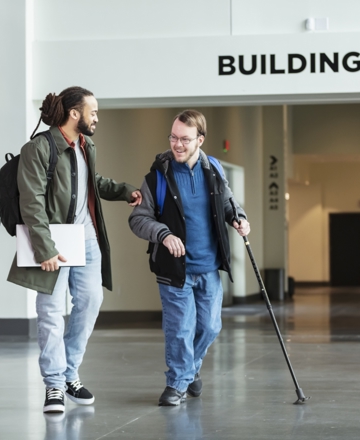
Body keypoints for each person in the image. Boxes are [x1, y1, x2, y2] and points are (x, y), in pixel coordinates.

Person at [7, 86, 142, 413]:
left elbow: (90, 182)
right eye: (92, 111)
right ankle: (54, 385)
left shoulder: (85, 145)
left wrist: (125, 191)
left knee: (91, 300)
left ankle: (69, 373)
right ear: (74, 113)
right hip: (53, 242)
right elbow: (32, 203)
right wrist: (45, 250)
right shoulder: (39, 148)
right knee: (51, 313)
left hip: (86, 239)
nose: (97, 117)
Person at [129, 109, 250, 406]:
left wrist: (239, 218)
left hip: (209, 267)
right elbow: (138, 219)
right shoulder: (157, 176)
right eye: (173, 137)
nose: (177, 144)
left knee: (210, 327)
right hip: (174, 270)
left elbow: (229, 203)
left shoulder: (215, 170)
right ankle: (177, 383)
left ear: (200, 140)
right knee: (180, 328)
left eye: (184, 139)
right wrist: (163, 234)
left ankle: (190, 370)